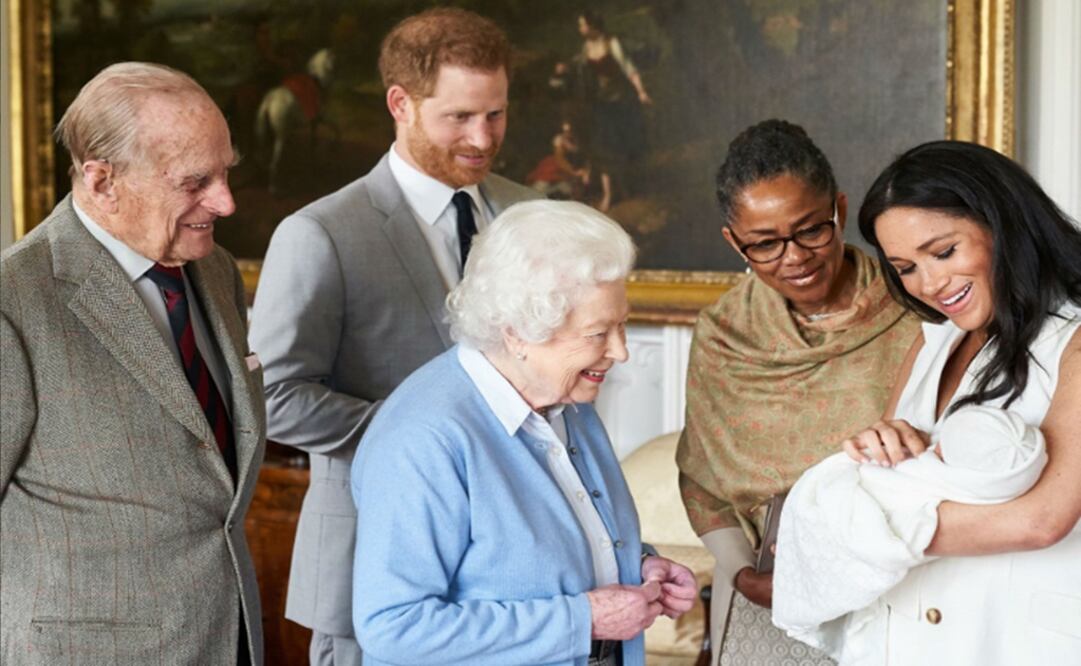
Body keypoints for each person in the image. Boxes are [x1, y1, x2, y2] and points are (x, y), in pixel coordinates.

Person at [247, 8, 538, 665]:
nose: (483, 138)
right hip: (372, 570)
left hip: (515, 580)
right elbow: (272, 398)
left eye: (495, 114)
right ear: (400, 104)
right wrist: (426, 437)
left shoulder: (531, 213)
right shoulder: (319, 234)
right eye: (460, 116)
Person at [351, 200, 697, 666]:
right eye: (598, 333)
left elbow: (536, 558)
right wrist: (583, 621)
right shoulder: (424, 439)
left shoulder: (568, 400)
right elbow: (394, 627)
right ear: (517, 333)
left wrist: (638, 566)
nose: (621, 351)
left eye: (623, 325)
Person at [0, 62, 265, 664]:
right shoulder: (14, 300)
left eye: (226, 172)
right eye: (195, 181)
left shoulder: (216, 270)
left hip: (229, 637)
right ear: (102, 181)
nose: (224, 201)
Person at [674, 119, 920, 665]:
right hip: (767, 590)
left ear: (839, 210)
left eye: (811, 230)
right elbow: (702, 480)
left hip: (902, 582)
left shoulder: (915, 310)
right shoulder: (724, 335)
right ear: (733, 242)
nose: (795, 257)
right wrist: (742, 573)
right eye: (765, 244)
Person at [836, 140, 1081, 665]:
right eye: (905, 267)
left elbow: (1043, 520)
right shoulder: (932, 342)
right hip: (903, 637)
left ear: (1004, 223)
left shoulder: (1073, 342)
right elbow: (888, 476)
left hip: (1010, 641)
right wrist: (878, 448)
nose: (930, 284)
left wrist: (856, 524)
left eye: (944, 252)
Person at [773, 405, 1047, 662]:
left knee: (834, 508)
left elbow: (885, 540)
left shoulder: (940, 486)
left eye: (940, 448)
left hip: (953, 615)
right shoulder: (998, 474)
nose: (933, 449)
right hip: (896, 614)